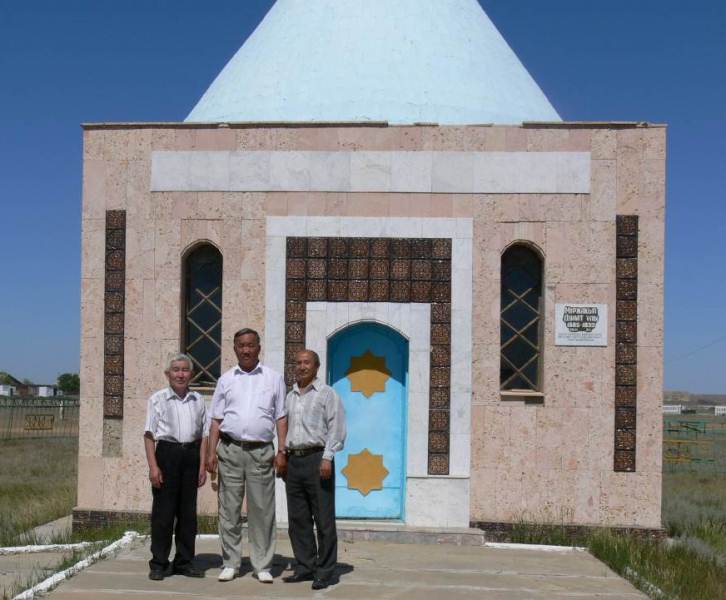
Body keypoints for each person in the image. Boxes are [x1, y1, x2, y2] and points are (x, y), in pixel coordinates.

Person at [207, 328, 288, 584]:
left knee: (262, 510)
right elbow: (216, 420)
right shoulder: (226, 379)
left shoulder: (273, 378)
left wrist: (282, 450)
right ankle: (230, 562)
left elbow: (281, 417)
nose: (246, 349)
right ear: (234, 348)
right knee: (228, 509)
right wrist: (210, 453)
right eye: (241, 345)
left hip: (261, 451)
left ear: (258, 347)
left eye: (250, 345)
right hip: (229, 450)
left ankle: (262, 564)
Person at [280, 349, 346, 590]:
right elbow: (285, 428)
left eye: (307, 362)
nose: (301, 366)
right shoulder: (290, 396)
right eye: (298, 363)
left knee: (323, 518)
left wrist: (328, 458)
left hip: (318, 459)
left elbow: (336, 428)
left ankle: (326, 570)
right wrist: (283, 455)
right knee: (298, 519)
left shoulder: (327, 394)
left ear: (317, 367)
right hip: (294, 461)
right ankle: (305, 566)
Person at [143, 353, 208, 580]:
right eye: (176, 370)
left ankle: (184, 561)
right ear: (167, 374)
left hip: (191, 456)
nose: (180, 374)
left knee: (187, 514)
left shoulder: (198, 400)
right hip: (167, 455)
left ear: (191, 374)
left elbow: (203, 436)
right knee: (163, 514)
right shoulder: (157, 399)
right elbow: (149, 436)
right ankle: (159, 563)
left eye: (184, 370)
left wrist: (202, 466)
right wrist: (153, 467)